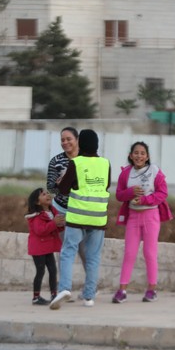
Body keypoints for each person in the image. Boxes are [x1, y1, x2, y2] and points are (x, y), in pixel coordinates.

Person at [49, 129, 111, 310]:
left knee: (68, 251)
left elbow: (64, 189)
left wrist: (62, 183)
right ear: (97, 144)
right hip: (98, 216)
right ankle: (89, 296)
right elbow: (105, 185)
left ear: (80, 143)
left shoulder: (76, 162)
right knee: (93, 257)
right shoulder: (105, 163)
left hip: (77, 215)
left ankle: (64, 289)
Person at [112, 141, 173, 303]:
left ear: (147, 157)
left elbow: (163, 193)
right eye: (136, 153)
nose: (139, 156)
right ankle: (122, 290)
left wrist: (145, 200)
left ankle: (152, 289)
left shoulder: (155, 172)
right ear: (131, 156)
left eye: (142, 153)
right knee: (129, 253)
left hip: (151, 216)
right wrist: (130, 192)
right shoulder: (126, 173)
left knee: (149, 253)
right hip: (133, 216)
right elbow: (118, 195)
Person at [46, 126, 85, 298]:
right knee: (63, 251)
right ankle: (64, 289)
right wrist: (60, 183)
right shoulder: (56, 161)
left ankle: (89, 287)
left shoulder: (87, 159)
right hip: (61, 210)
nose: (65, 142)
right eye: (62, 140)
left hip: (83, 211)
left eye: (69, 139)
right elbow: (50, 187)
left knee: (84, 250)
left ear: (77, 140)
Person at [25, 187, 65, 306]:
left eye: (47, 193)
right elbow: (40, 230)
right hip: (38, 248)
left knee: (53, 270)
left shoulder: (53, 211)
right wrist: (54, 223)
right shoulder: (36, 216)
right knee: (40, 271)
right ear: (37, 202)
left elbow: (56, 228)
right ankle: (36, 297)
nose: (48, 195)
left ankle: (54, 294)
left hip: (48, 247)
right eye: (43, 194)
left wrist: (60, 224)